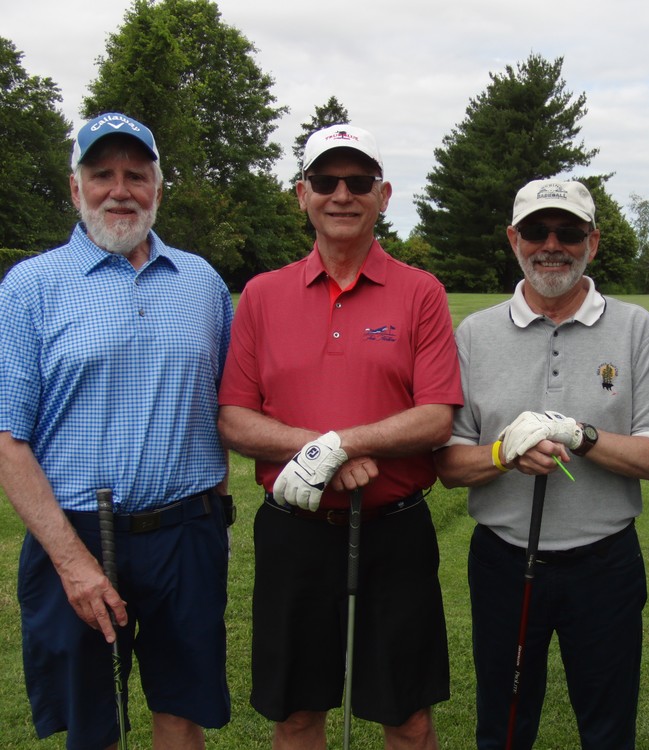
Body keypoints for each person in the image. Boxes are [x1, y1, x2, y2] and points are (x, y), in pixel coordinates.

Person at [217, 123, 463, 750]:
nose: (342, 195)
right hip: (294, 533)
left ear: (384, 195)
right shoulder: (263, 295)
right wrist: (318, 451)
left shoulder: (421, 291)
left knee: (407, 719)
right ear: (303, 194)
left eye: (358, 181)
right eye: (326, 181)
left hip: (394, 534)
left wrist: (342, 446)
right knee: (297, 717)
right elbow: (234, 418)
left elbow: (436, 416)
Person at [0, 112, 235, 749]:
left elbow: (231, 408)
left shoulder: (202, 283)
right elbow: (7, 440)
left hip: (186, 531)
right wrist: (71, 563)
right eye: (102, 174)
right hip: (76, 533)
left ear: (158, 187)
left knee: (181, 711)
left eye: (136, 174)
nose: (120, 190)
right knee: (93, 724)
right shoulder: (30, 287)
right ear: (75, 187)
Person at [434, 179, 649, 749]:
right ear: (513, 239)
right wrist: (504, 454)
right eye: (536, 232)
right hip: (503, 561)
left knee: (608, 728)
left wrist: (579, 434)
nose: (552, 245)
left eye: (568, 232)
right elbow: (449, 465)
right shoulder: (475, 334)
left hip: (605, 564)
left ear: (592, 241)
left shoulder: (634, 328)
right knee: (504, 726)